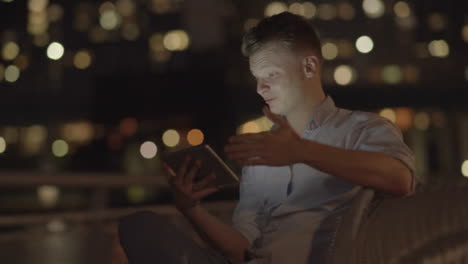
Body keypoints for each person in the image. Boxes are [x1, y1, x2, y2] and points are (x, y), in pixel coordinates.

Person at [118, 12, 416, 264]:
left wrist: (302, 151)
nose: (261, 88)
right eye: (257, 77)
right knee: (139, 226)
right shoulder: (263, 153)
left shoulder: (360, 128)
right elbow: (241, 248)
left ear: (309, 66)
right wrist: (191, 209)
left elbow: (399, 179)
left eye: (271, 74)